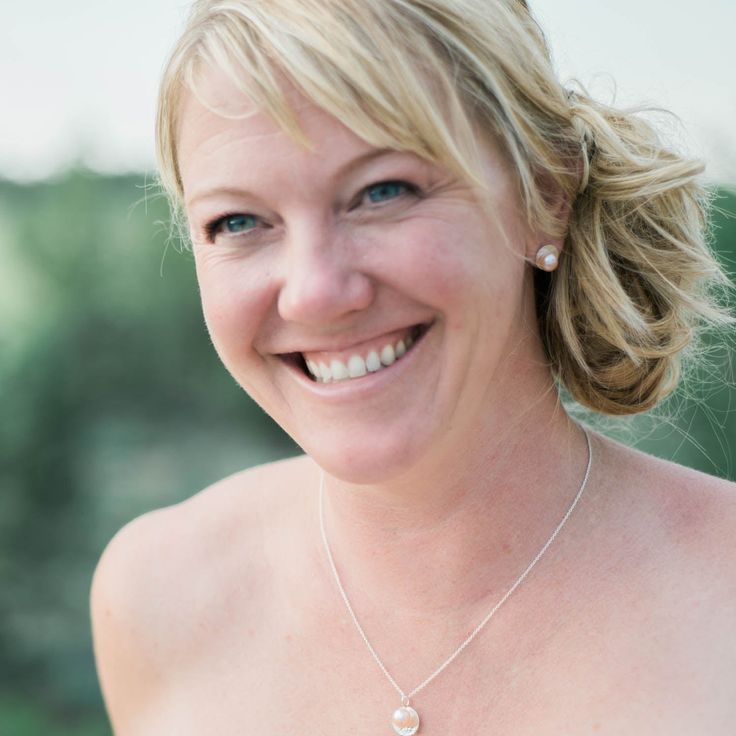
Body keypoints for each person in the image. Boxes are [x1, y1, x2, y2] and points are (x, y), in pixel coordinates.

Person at [90, 1, 736, 733]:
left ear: (546, 194)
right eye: (238, 221)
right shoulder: (155, 597)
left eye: (382, 192)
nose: (315, 293)